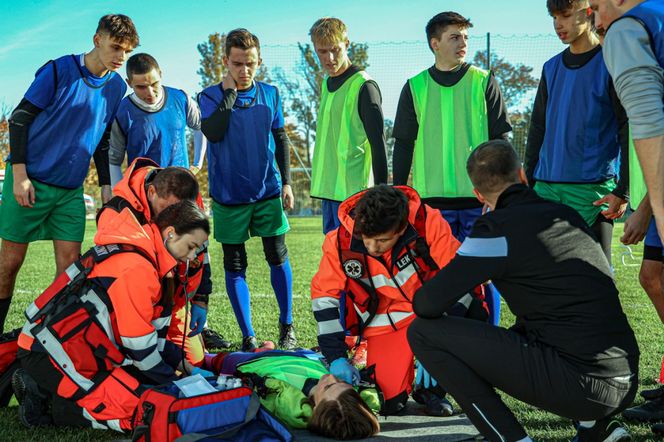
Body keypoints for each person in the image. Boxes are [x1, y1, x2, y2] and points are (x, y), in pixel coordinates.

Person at [408, 140, 639, 442]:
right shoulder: (565, 215)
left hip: (583, 385)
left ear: (478, 194)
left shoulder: (494, 229)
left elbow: (426, 304)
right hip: (626, 373)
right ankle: (592, 428)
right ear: (522, 175)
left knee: (422, 332)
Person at [13, 200, 211, 431]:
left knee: (151, 392)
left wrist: (187, 367)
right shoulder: (138, 266)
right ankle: (47, 402)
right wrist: (177, 383)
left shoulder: (150, 257)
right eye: (191, 246)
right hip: (53, 352)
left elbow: (154, 340)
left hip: (75, 349)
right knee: (146, 411)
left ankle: (46, 389)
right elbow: (141, 351)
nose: (192, 256)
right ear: (170, 234)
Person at [0, 14, 138, 333]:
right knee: (9, 265)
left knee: (69, 269)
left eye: (127, 51)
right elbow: (19, 119)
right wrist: (19, 174)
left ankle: (43, 340)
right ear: (96, 40)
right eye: (116, 47)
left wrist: (106, 185)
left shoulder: (116, 87)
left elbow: (103, 141)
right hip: (29, 182)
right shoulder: (58, 70)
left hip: (70, 191)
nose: (120, 57)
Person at [311, 184, 487, 416]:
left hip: (433, 316)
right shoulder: (339, 241)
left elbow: (462, 281)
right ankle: (400, 389)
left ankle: (432, 391)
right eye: (367, 239)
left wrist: (441, 343)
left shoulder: (427, 222)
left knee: (475, 309)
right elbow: (324, 298)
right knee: (389, 403)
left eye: (382, 240)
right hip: (385, 323)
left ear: (401, 228)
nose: (372, 248)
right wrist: (336, 358)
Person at [392, 11, 511, 324]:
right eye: (454, 37)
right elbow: (403, 145)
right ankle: (448, 341)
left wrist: (501, 193)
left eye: (466, 37)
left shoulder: (483, 81)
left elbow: (502, 140)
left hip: (479, 201)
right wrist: (399, 193)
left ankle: (491, 337)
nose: (463, 43)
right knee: (437, 277)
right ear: (435, 44)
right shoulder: (415, 87)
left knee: (486, 274)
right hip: (433, 205)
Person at [199, 28, 296, 351]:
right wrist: (228, 94)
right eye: (237, 63)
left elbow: (280, 137)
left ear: (259, 61)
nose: (244, 70)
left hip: (268, 191)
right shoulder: (209, 96)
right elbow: (213, 133)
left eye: (250, 63)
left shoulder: (271, 93)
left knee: (277, 256)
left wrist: (286, 182)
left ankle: (287, 326)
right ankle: (249, 336)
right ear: (225, 61)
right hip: (229, 197)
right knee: (235, 264)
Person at [524, 0, 629, 265]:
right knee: (547, 277)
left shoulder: (610, 63)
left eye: (566, 15)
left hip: (593, 194)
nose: (558, 24)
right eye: (554, 17)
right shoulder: (551, 68)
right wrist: (529, 181)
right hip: (546, 189)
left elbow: (626, 128)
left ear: (589, 12)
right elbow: (537, 128)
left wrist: (623, 190)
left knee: (598, 280)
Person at [100, 158, 231, 353]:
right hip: (133, 307)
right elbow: (127, 282)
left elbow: (201, 251)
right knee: (146, 361)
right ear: (151, 192)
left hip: (171, 304)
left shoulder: (188, 196)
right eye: (167, 210)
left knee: (193, 360)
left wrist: (201, 298)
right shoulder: (118, 213)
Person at [591, 0, 664, 244]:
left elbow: (650, 126)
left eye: (598, 8)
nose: (598, 22)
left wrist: (653, 212)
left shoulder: (627, 29)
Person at [308, 17, 388, 234]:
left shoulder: (364, 86)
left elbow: (379, 144)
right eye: (322, 52)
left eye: (335, 50)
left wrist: (382, 194)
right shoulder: (326, 83)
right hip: (330, 193)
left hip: (356, 196)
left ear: (347, 44)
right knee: (335, 260)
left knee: (357, 262)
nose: (329, 58)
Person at [207, 349, 380, 440]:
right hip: (303, 358)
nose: (332, 378)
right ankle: (263, 347)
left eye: (328, 387)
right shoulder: (346, 403)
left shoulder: (289, 406)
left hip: (255, 362)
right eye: (341, 383)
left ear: (316, 408)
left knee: (220, 359)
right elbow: (367, 403)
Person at [109, 53, 202, 186]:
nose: (150, 92)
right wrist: (120, 197)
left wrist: (197, 164)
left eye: (154, 84)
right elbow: (114, 161)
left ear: (160, 74)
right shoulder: (122, 112)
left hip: (182, 188)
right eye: (141, 87)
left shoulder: (181, 99)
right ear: (129, 83)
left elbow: (200, 127)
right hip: (144, 193)